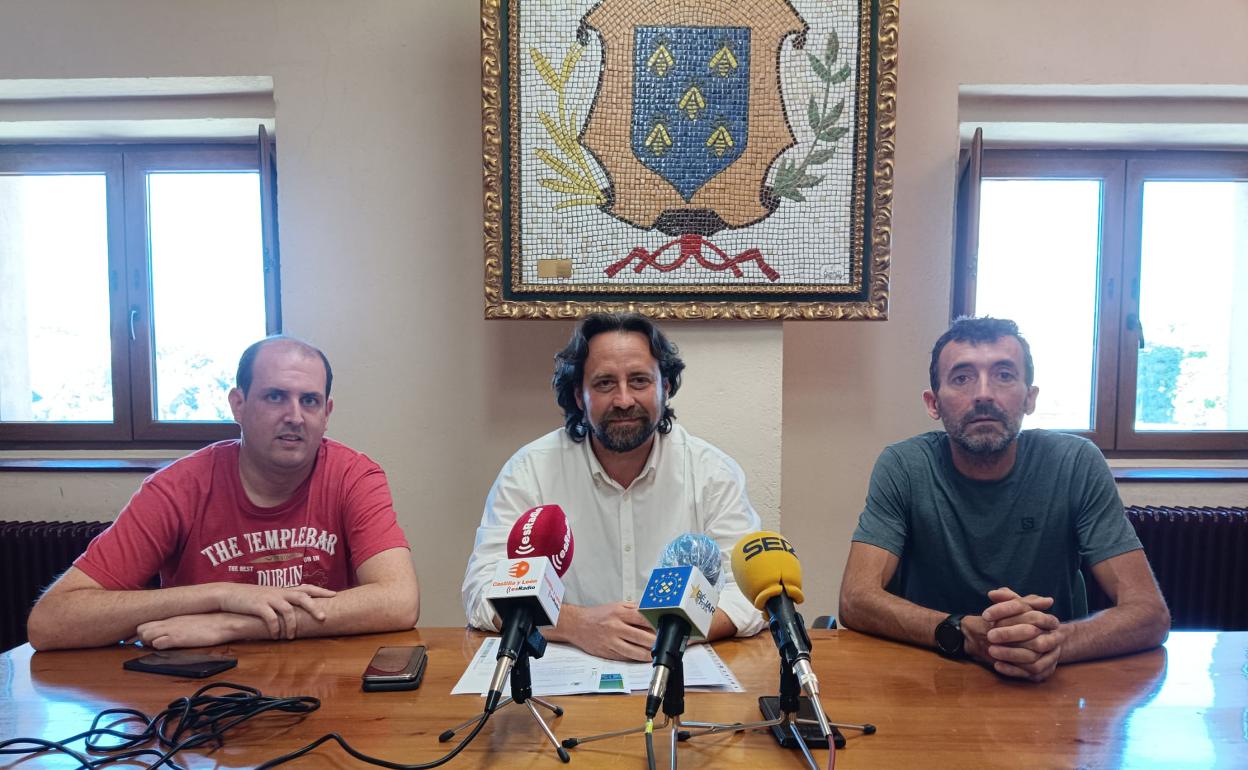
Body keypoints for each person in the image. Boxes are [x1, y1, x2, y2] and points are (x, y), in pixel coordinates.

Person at [27, 336, 419, 651]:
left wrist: (234, 624)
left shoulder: (354, 476)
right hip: (204, 696)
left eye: (310, 401)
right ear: (238, 404)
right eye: (275, 396)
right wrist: (221, 595)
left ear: (326, 413)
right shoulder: (178, 488)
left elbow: (398, 600)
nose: (295, 416)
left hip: (327, 689)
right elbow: (51, 622)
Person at [839, 316, 1169, 682]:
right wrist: (964, 633)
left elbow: (1149, 612)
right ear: (933, 404)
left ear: (1029, 398)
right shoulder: (904, 465)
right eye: (962, 378)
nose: (983, 394)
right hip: (932, 675)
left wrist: (1056, 642)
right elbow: (856, 598)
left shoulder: (1075, 462)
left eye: (1004, 375)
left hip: (1049, 680)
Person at [462, 312, 766, 661]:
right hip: (565, 686)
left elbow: (748, 593)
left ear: (665, 387)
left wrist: (675, 627)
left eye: (639, 381)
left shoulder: (712, 473)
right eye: (605, 383)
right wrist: (575, 624)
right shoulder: (529, 471)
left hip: (681, 677)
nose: (623, 400)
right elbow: (482, 589)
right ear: (579, 395)